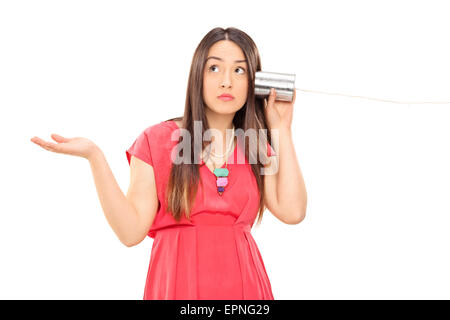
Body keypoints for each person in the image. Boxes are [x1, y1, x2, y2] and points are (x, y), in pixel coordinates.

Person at [30, 27, 307, 300]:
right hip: (176, 286)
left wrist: (281, 128)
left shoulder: (256, 145)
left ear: (254, 82)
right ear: (197, 75)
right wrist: (94, 156)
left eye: (239, 70)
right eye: (214, 68)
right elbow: (130, 232)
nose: (226, 82)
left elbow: (292, 211)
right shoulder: (158, 140)